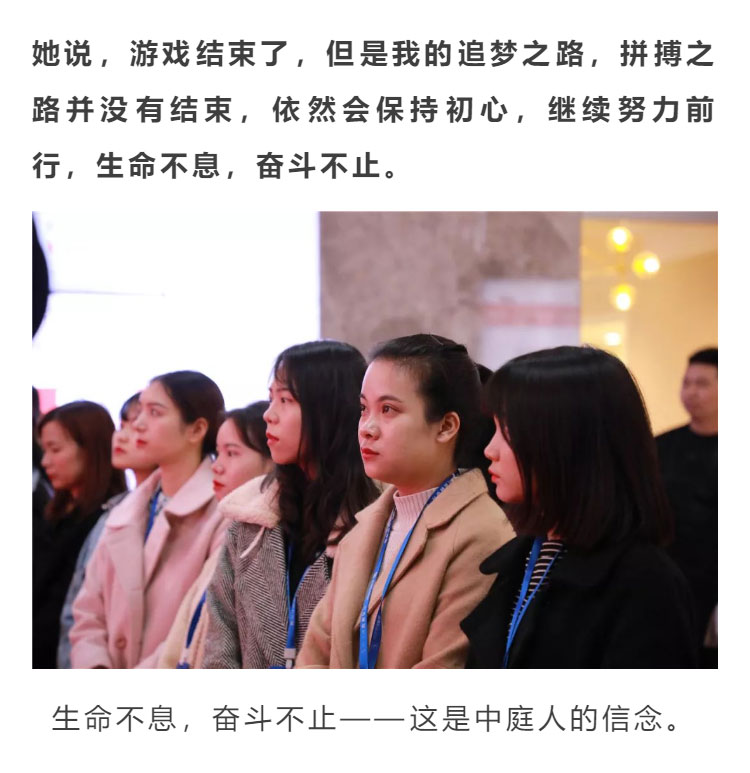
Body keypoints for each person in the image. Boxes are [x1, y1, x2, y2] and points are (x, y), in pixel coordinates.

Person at [461, 346, 698, 668]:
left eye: (508, 431)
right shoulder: (524, 554)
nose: (490, 450)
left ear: (568, 442)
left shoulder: (645, 583)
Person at [296, 334, 514, 669]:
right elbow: (315, 654)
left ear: (446, 426)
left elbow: (444, 669)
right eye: (363, 409)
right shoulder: (364, 529)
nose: (367, 428)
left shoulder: (482, 534)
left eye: (388, 410)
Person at [203, 341, 379, 669]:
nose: (268, 415)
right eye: (271, 398)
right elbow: (219, 640)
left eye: (285, 400)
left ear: (328, 408)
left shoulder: (377, 518)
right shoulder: (250, 515)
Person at [70, 371, 228, 668]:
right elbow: (88, 611)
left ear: (196, 429)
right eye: (140, 410)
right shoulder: (126, 509)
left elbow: (203, 622)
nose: (138, 424)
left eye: (155, 412)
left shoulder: (223, 512)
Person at [158, 402, 274, 668]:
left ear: (272, 461)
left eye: (232, 453)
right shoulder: (233, 531)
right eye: (217, 454)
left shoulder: (263, 542)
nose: (217, 467)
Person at [57, 393, 157, 668]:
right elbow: (80, 611)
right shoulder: (115, 511)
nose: (121, 437)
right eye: (122, 425)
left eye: (137, 426)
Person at [34, 401, 126, 668]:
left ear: (90, 449)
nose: (45, 461)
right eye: (44, 450)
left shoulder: (112, 521)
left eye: (55, 449)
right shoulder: (52, 514)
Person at [656, 347, 718, 667]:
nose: (691, 392)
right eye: (686, 382)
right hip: (669, 579)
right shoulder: (661, 446)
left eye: (702, 384)